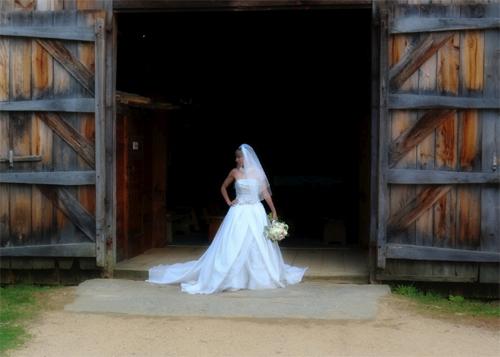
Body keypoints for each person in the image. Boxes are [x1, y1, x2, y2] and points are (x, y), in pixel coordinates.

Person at [147, 143, 308, 294]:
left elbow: (265, 193)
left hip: (255, 211)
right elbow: (223, 187)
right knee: (234, 242)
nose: (237, 160)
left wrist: (273, 210)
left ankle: (256, 276)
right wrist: (229, 201)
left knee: (257, 243)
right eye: (236, 157)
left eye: (239, 157)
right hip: (238, 211)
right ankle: (232, 276)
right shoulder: (234, 172)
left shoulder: (258, 173)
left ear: (247, 157)